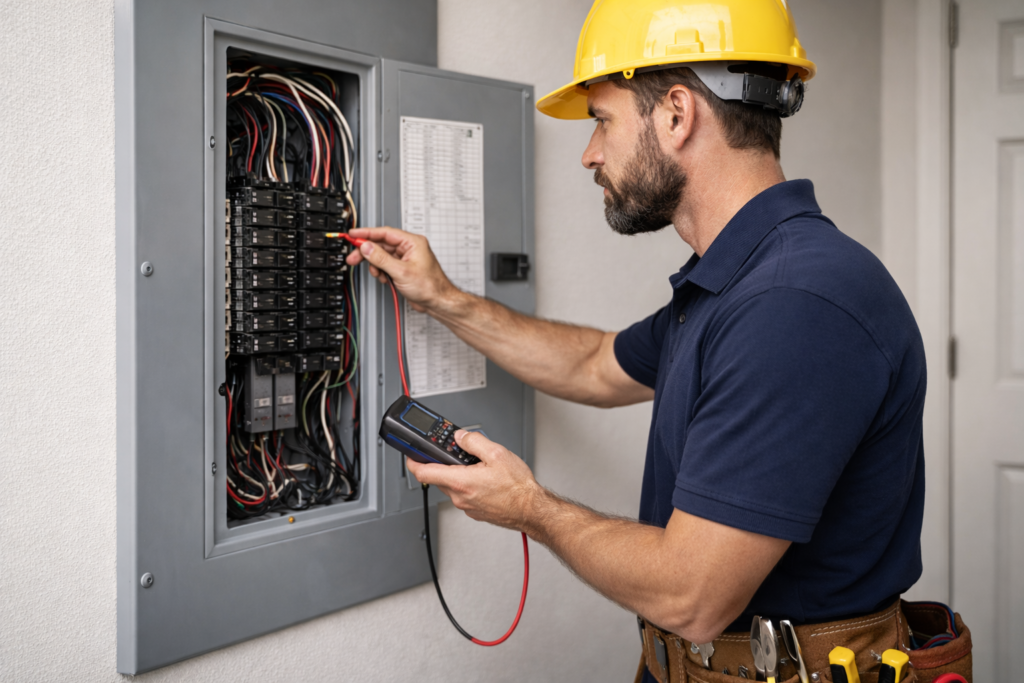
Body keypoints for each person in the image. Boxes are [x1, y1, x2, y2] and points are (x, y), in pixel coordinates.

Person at [346, 1, 926, 679]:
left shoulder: (793, 305)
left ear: (678, 114)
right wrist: (443, 298)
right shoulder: (736, 283)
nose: (589, 153)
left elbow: (693, 594)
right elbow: (595, 364)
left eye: (601, 120)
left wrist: (530, 507)